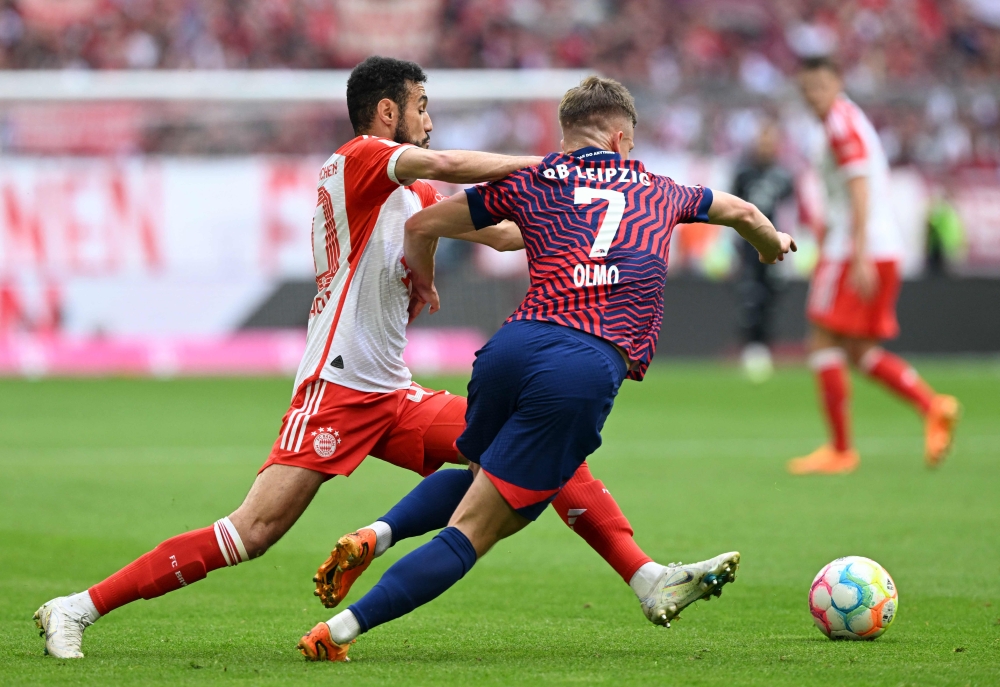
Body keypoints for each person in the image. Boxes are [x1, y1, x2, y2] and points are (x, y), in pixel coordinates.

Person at [32, 57, 660, 659]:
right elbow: (446, 160)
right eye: (421, 106)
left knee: (531, 445)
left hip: (393, 392)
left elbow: (501, 233)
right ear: (388, 112)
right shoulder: (360, 158)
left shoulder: (409, 195)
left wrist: (601, 211)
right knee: (253, 532)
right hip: (337, 385)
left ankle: (645, 575)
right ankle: (77, 606)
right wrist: (567, 167)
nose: (429, 120)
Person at [297, 76, 796, 662]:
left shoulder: (536, 177)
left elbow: (420, 226)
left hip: (508, 351)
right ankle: (339, 631)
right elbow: (738, 209)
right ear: (621, 139)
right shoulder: (663, 189)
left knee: (490, 470)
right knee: (481, 527)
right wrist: (770, 244)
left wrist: (424, 275)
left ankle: (378, 534)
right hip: (581, 366)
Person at [788, 57, 960, 476]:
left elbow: (859, 185)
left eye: (820, 87)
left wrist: (858, 251)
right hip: (870, 247)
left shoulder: (841, 125)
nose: (813, 96)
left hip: (858, 249)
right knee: (858, 350)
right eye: (807, 89)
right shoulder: (844, 120)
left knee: (822, 340)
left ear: (837, 83)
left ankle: (841, 449)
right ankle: (932, 405)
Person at [731, 119, 795, 383]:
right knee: (749, 298)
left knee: (770, 298)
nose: (765, 148)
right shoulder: (743, 174)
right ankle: (751, 348)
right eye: (762, 142)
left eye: (770, 143)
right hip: (747, 246)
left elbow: (791, 212)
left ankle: (765, 348)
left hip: (775, 243)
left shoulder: (784, 176)